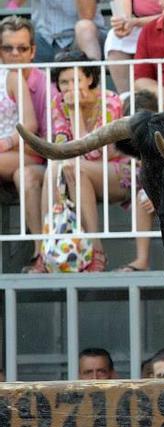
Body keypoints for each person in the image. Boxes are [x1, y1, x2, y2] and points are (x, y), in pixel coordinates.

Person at [26, 51, 127, 273]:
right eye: (64, 82)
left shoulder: (110, 102)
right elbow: (61, 146)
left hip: (117, 171)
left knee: (72, 166)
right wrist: (70, 110)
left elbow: (94, 153)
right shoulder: (57, 102)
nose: (70, 87)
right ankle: (47, 248)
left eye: (76, 80)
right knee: (55, 166)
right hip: (79, 170)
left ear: (89, 79)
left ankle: (97, 252)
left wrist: (75, 111)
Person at [0, 16, 46, 273]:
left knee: (25, 174)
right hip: (11, 158)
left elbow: (30, 125)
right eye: (8, 48)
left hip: (26, 152)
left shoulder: (15, 78)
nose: (15, 54)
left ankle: (41, 251)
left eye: (21, 48)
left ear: (31, 51)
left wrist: (5, 143)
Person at [116, 89, 159, 271]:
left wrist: (156, 195)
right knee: (142, 197)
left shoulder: (161, 137)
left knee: (144, 196)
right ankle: (142, 260)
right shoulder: (124, 141)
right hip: (135, 183)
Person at [104, 0, 163, 96]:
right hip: (138, 24)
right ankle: (127, 98)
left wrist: (136, 22)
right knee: (114, 38)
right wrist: (123, 24)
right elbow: (124, 16)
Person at [30, 0, 107, 63]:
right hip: (44, 39)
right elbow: (17, 4)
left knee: (85, 28)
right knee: (22, 38)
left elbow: (86, 15)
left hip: (81, 39)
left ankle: (93, 79)